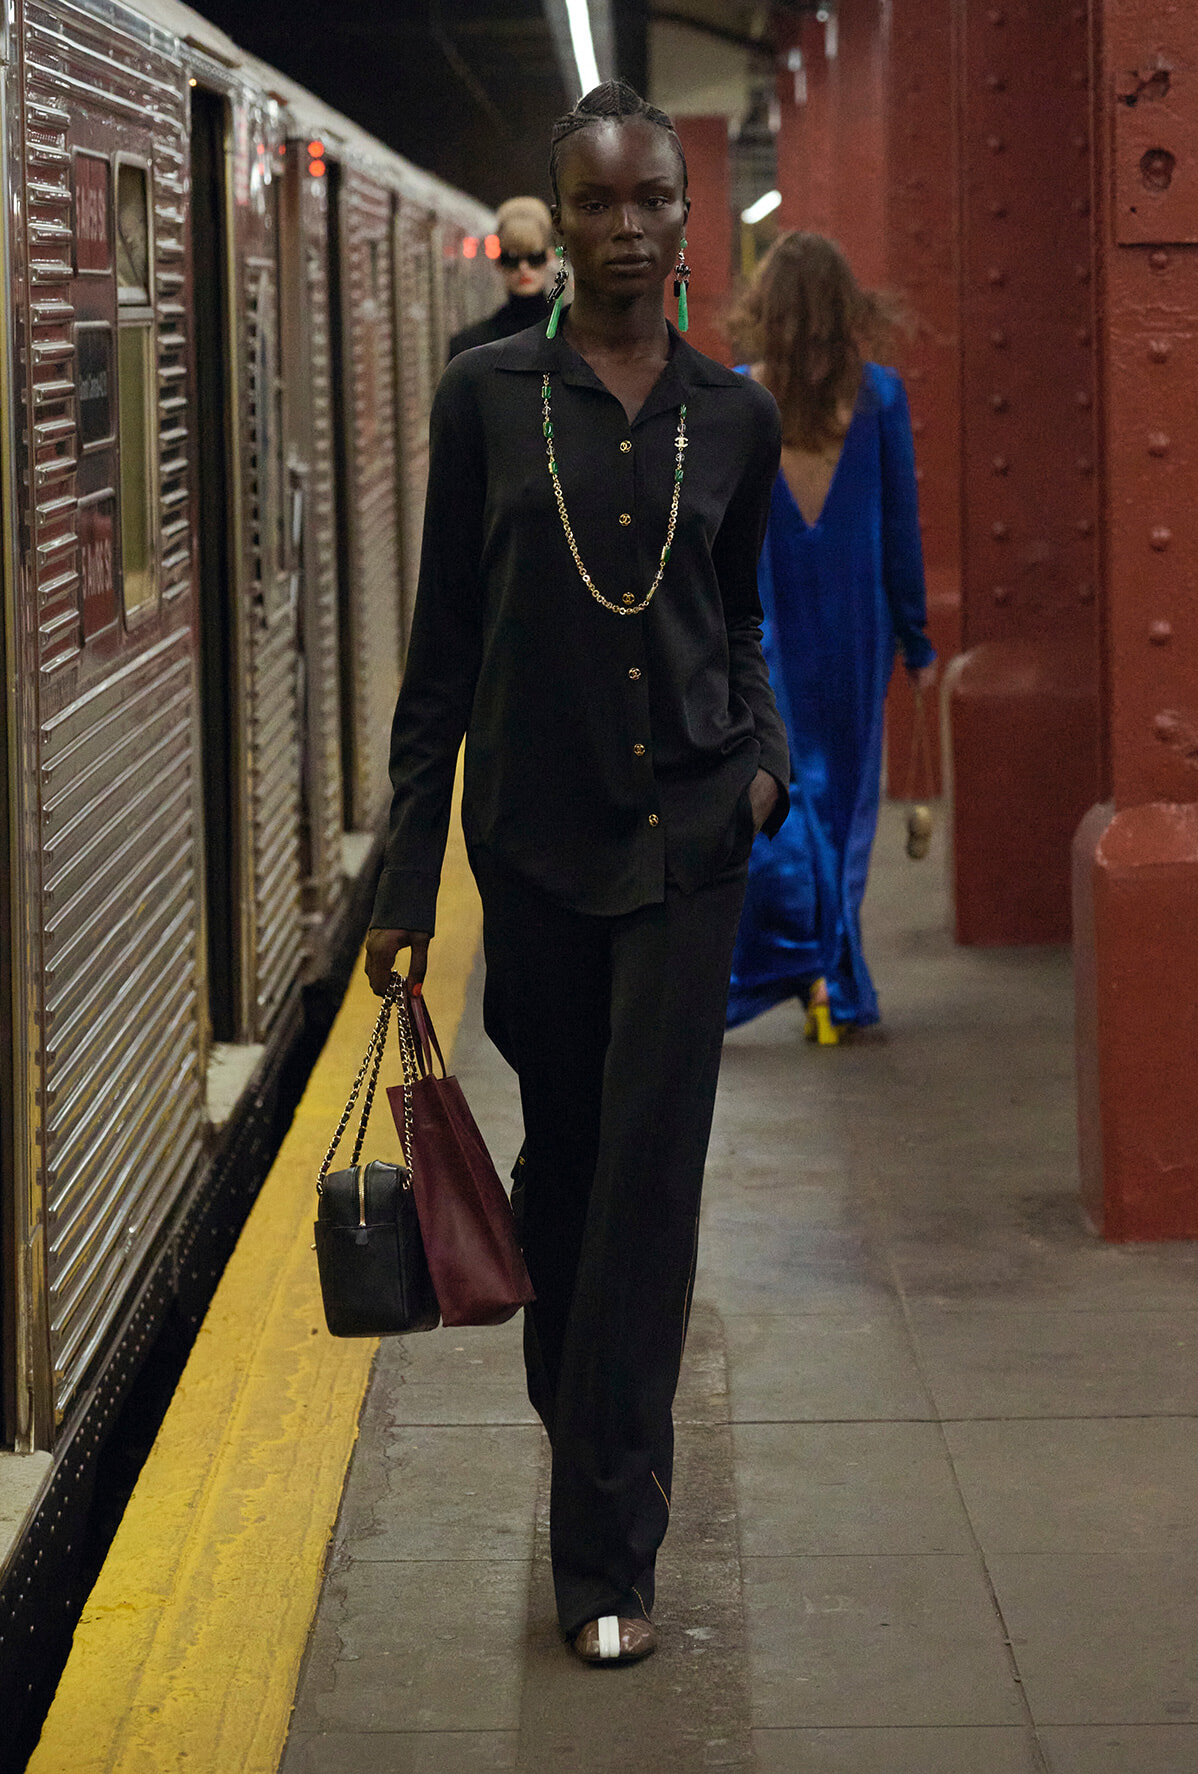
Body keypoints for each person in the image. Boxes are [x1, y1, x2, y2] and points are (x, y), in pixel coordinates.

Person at [366, 80, 787, 1666]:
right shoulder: (485, 402)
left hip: (689, 851)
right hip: (532, 856)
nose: (625, 231)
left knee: (646, 1203)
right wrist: (409, 883)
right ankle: (581, 1407)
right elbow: (441, 661)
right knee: (563, 1174)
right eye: (596, 204)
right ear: (557, 220)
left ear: (688, 221)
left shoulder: (730, 416)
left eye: (651, 203)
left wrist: (762, 767)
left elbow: (738, 623)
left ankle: (608, 1553)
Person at [725, 232, 937, 1041]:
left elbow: (727, 537)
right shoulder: (881, 397)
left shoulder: (743, 400)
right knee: (846, 807)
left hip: (772, 631)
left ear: (766, 312)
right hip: (857, 632)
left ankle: (812, 969)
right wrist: (916, 643)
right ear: (850, 308)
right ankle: (833, 976)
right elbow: (900, 536)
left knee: (790, 796)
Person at [448, 195, 554, 357]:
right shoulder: (470, 347)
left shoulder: (471, 346)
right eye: (512, 260)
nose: (523, 268)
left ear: (549, 258)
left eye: (533, 258)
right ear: (498, 263)